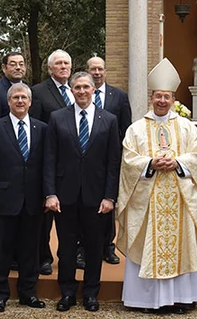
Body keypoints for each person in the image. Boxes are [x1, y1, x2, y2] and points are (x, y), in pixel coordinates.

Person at [118, 58, 197, 313]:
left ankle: (181, 298)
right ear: (151, 96)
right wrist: (149, 163)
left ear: (173, 98)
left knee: (181, 247)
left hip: (179, 200)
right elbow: (128, 160)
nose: (162, 101)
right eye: (158, 96)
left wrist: (178, 163)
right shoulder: (136, 129)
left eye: (166, 97)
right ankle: (146, 301)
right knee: (148, 246)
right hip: (147, 202)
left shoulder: (186, 127)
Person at [44, 72, 122, 312]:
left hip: (97, 197)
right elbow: (49, 158)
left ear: (92, 89)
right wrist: (50, 193)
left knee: (94, 246)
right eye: (77, 87)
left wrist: (110, 196)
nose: (81, 91)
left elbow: (113, 161)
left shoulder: (108, 120)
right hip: (65, 195)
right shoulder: (57, 118)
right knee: (66, 247)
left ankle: (90, 293)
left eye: (86, 87)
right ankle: (67, 292)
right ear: (72, 91)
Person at [0, 83, 47, 313]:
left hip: (33, 200)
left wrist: (48, 194)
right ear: (9, 102)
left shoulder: (42, 129)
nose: (20, 101)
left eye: (24, 97)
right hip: (4, 199)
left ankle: (28, 293)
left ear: (30, 102)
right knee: (2, 250)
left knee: (31, 250)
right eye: (15, 97)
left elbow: (46, 166)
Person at [28, 49, 74, 275]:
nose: (63, 66)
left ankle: (71, 255)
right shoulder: (38, 92)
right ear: (50, 68)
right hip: (48, 162)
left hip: (73, 165)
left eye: (66, 63)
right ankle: (43, 257)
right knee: (44, 218)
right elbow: (35, 128)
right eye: (58, 64)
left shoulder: (77, 91)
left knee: (71, 217)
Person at [87, 55, 132, 265]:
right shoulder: (79, 94)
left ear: (105, 72)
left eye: (100, 69)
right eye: (92, 69)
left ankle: (108, 246)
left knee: (108, 203)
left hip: (110, 159)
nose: (96, 73)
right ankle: (82, 248)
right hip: (84, 160)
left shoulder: (119, 96)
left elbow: (126, 129)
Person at [0, 52, 27, 122]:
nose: (18, 68)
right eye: (13, 64)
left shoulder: (28, 89)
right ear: (4, 68)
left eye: (21, 64)